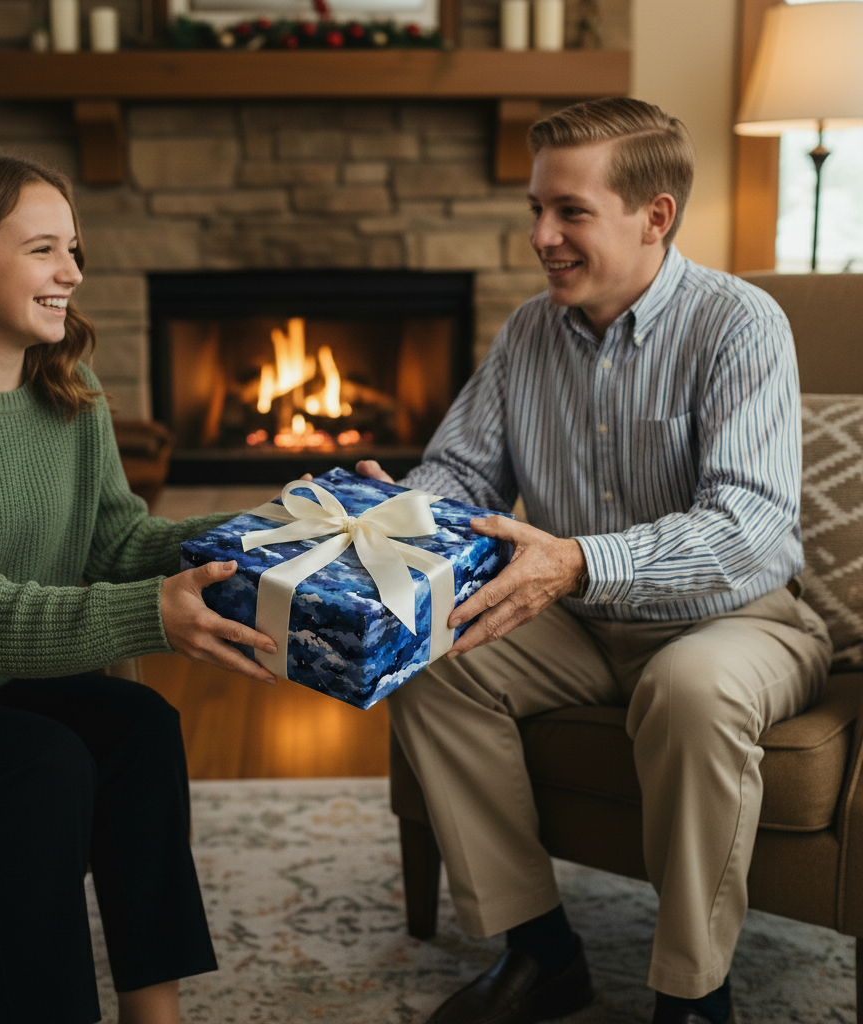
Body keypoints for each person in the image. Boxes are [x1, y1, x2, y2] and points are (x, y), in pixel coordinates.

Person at [357, 97, 833, 1024]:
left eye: (569, 211)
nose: (541, 235)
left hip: (736, 619)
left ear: (655, 215)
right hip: (577, 624)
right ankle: (542, 951)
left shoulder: (740, 324)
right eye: (537, 208)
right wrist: (397, 511)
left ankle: (693, 993)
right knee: (424, 649)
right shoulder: (528, 333)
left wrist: (577, 561)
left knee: (692, 690)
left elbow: (745, 526)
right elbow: (463, 474)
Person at [0, 153, 279, 1024]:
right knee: (42, 762)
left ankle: (155, 1014)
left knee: (141, 726)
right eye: (43, 249)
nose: (72, 272)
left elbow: (120, 541)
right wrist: (151, 617)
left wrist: (280, 524)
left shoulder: (70, 388)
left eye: (72, 249)